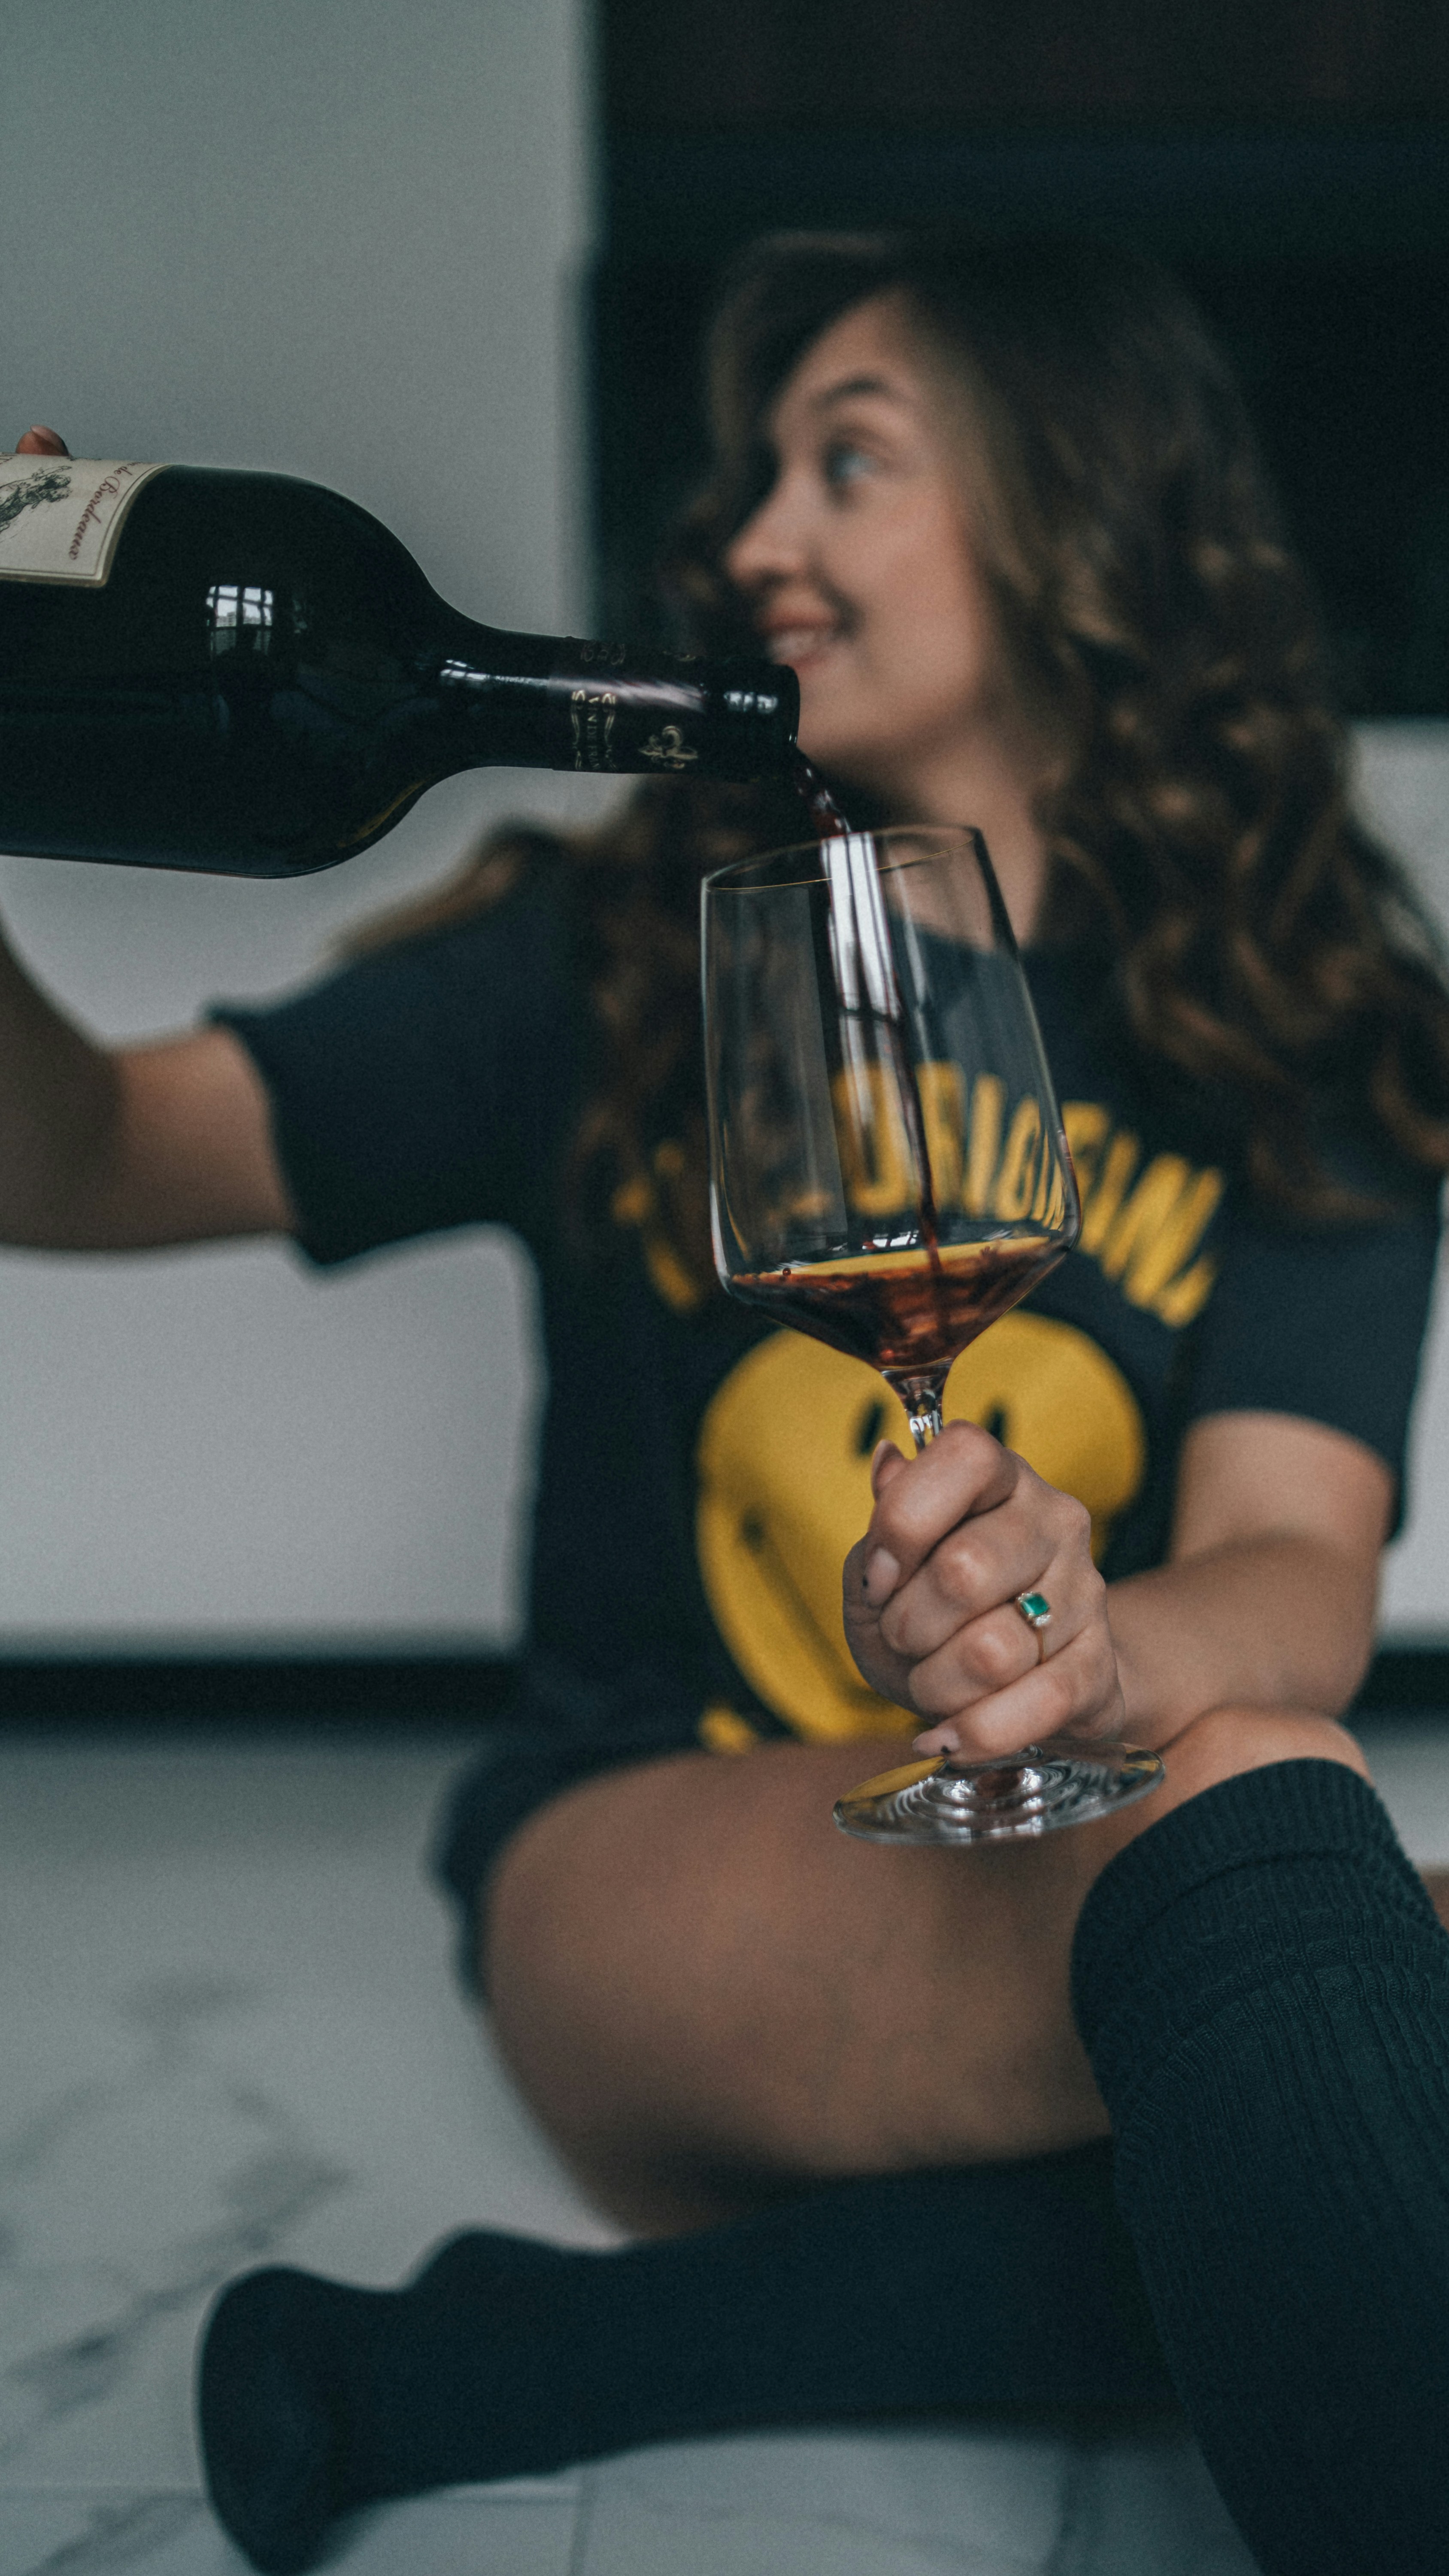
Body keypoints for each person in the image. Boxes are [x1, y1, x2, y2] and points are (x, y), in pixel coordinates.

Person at [10, 229, 1449, 2576]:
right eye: (759, 476)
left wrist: (1091, 1655)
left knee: (1310, 1971)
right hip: (657, 1871)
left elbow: (1291, 1566)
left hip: (1093, 1839)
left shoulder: (1311, 1033)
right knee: (1285, 1856)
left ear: (1077, 505)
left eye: (848, 461)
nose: (755, 537)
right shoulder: (604, 956)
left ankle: (500, 2360)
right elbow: (72, 1165)